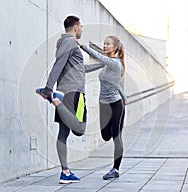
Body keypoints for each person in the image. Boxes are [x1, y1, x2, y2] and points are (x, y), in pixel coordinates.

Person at [37, 15, 103, 184]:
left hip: (67, 91)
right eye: (81, 27)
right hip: (74, 94)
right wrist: (48, 88)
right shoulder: (70, 42)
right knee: (80, 129)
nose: (81, 29)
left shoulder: (68, 44)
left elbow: (81, 68)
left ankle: (65, 172)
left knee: (63, 133)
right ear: (75, 27)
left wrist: (103, 63)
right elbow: (58, 64)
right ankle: (55, 100)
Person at [76, 36, 127, 180]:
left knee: (116, 137)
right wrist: (125, 96)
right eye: (104, 43)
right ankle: (114, 131)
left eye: (108, 44)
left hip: (115, 105)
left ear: (115, 48)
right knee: (105, 135)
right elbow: (116, 83)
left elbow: (97, 56)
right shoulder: (107, 64)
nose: (104, 46)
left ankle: (115, 169)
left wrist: (82, 46)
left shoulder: (115, 63)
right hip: (103, 103)